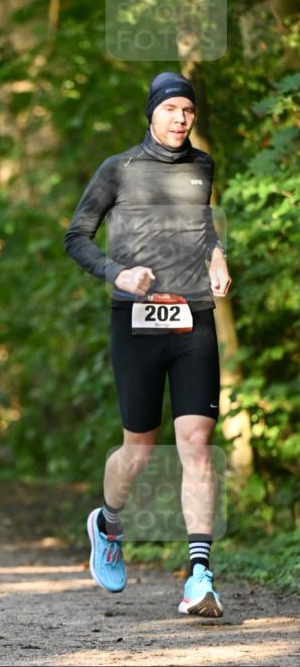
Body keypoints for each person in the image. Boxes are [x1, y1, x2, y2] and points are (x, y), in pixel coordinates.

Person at [65, 72, 231, 618]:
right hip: (136, 323)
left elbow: (203, 229)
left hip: (193, 320)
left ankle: (200, 574)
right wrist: (117, 273)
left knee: (197, 443)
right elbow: (77, 236)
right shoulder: (120, 169)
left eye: (188, 110)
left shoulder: (202, 167)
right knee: (138, 448)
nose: (181, 118)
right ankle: (108, 522)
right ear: (152, 114)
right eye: (171, 109)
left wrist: (217, 259)